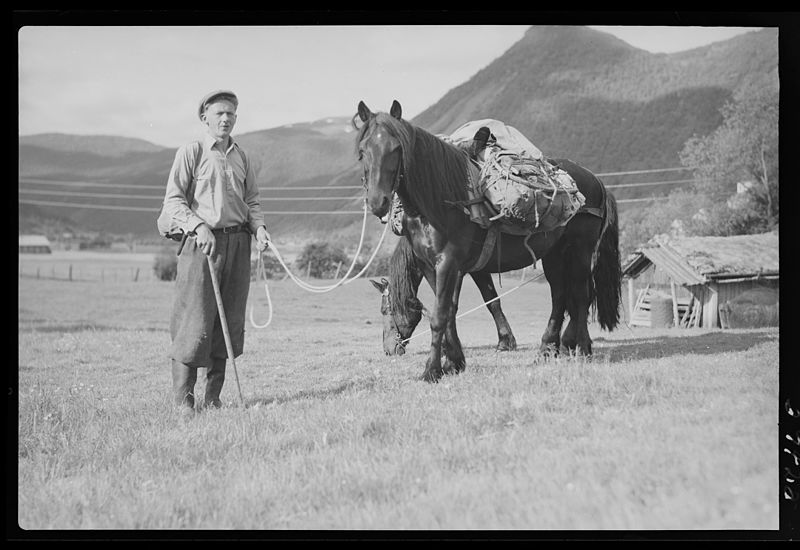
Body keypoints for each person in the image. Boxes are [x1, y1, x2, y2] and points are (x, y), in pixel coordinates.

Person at [160, 90, 270, 415]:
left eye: (231, 114)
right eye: (219, 113)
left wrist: (259, 228)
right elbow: (173, 201)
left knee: (229, 321)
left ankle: (213, 398)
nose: (225, 119)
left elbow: (252, 202)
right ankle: (184, 402)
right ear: (205, 117)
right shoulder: (191, 152)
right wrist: (198, 226)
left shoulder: (242, 157)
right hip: (200, 245)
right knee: (194, 321)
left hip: (238, 244)